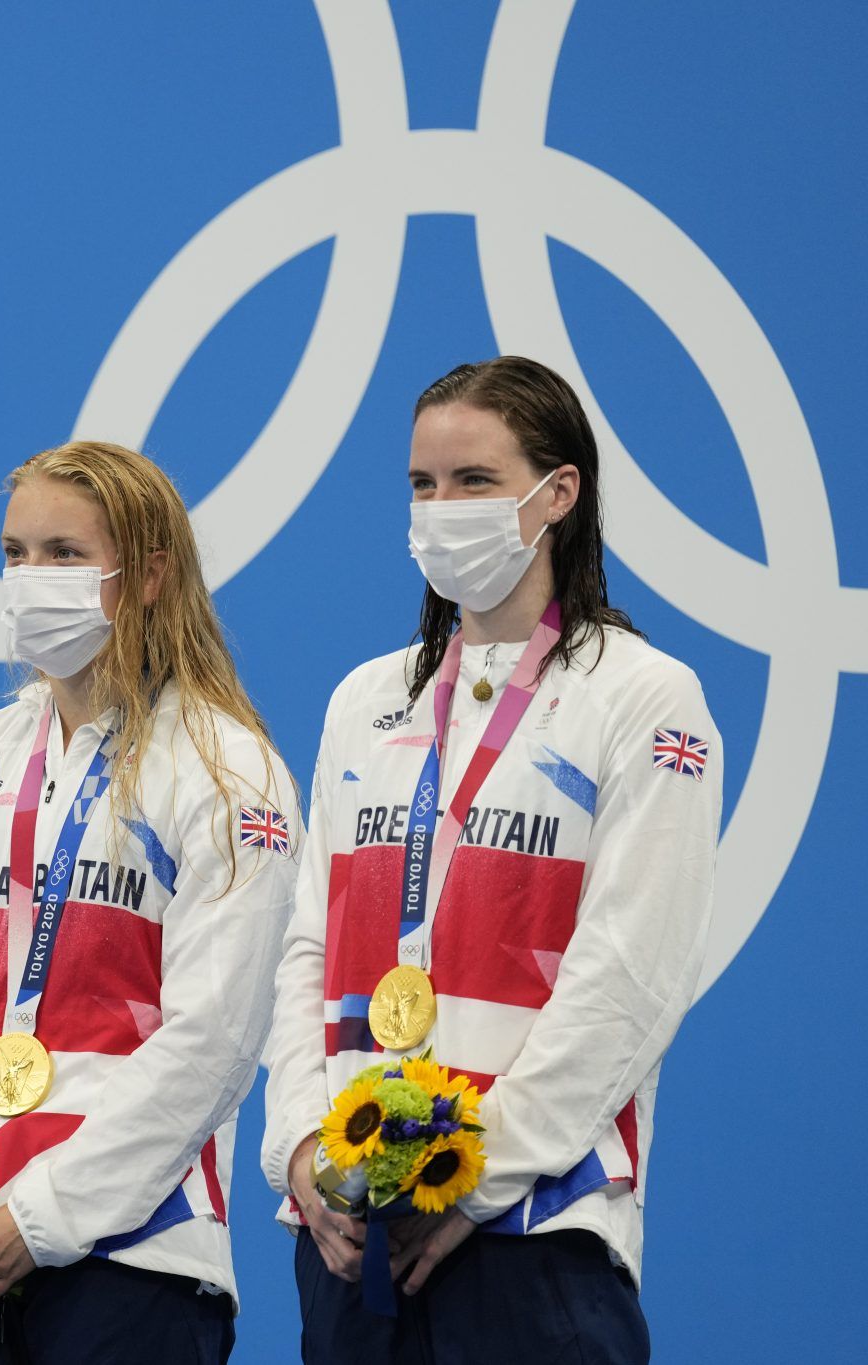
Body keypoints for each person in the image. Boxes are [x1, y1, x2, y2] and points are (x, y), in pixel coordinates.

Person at [260, 356, 722, 1362]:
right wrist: (299, 1148)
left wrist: (474, 1174)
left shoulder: (643, 697)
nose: (439, 509)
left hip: (534, 1233)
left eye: (472, 481)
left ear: (558, 493)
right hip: (346, 1241)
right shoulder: (361, 701)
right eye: (421, 485)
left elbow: (630, 976)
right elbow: (305, 950)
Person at [0, 441, 299, 1364]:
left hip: (132, 1255)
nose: (30, 579)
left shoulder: (227, 769)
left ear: (146, 575)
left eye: (63, 554)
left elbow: (214, 1042)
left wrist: (47, 1214)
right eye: (15, 553)